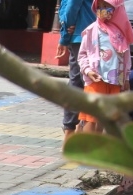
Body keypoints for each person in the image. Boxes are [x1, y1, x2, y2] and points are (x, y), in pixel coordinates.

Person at [77, 0, 133, 134]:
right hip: (96, 81)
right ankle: (87, 150)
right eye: (100, 7)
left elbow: (126, 58)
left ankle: (99, 150)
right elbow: (82, 55)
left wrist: (126, 78)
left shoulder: (121, 33)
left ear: (117, 9)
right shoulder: (91, 30)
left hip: (115, 82)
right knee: (91, 117)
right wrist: (88, 70)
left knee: (107, 119)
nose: (102, 10)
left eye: (107, 6)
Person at [55, 0, 97, 140]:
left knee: (77, 84)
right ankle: (77, 128)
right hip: (91, 35)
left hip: (81, 36)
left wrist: (64, 35)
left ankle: (72, 130)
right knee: (86, 84)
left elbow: (70, 7)